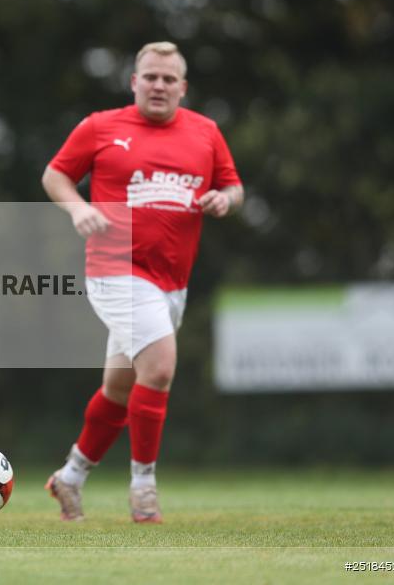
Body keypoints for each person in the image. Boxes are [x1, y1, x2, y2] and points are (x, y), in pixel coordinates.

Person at [41, 42, 243, 523]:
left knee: (119, 387)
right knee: (161, 367)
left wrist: (224, 200)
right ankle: (144, 486)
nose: (159, 85)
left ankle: (70, 476)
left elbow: (234, 186)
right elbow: (55, 175)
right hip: (116, 270)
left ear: (183, 88)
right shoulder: (101, 126)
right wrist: (80, 208)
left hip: (172, 281)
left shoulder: (206, 132)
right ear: (134, 81)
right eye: (150, 76)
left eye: (168, 79)